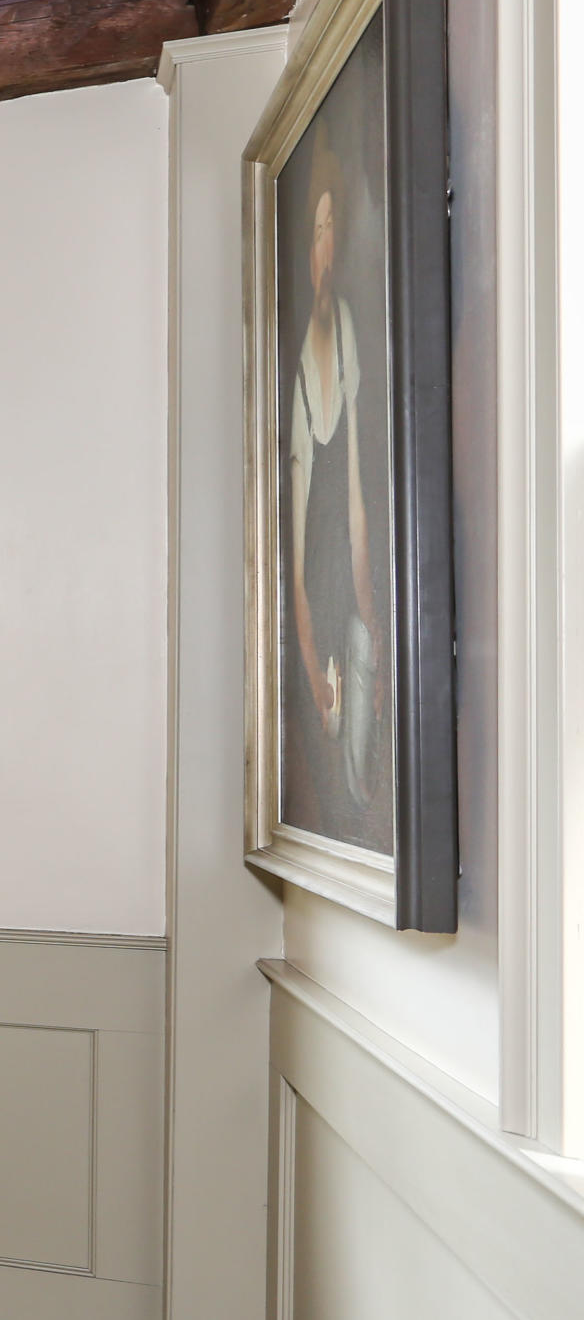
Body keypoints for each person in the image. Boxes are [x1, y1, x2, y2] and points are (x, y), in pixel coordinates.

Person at [285, 153, 389, 847]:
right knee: (334, 760)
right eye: (315, 228)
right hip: (315, 601)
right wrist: (311, 653)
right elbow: (291, 558)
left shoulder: (347, 327)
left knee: (362, 774)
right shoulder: (295, 370)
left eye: (332, 226)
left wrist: (371, 621)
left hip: (349, 586)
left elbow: (354, 499)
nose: (325, 243)